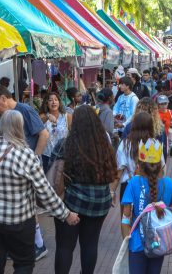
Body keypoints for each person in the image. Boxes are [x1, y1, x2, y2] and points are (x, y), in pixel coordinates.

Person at [0, 110, 79, 274]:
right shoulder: (26, 155)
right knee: (23, 264)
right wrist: (66, 214)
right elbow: (45, 192)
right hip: (19, 223)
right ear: (20, 127)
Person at [53, 105, 118, 274]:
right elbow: (112, 171)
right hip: (99, 201)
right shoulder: (104, 145)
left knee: (64, 246)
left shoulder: (66, 144)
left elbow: (54, 171)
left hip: (71, 202)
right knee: (90, 243)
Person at [0, 85, 50, 259]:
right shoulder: (8, 115)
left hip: (26, 167)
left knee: (29, 206)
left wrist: (35, 159)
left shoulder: (25, 110)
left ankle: (38, 244)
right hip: (18, 167)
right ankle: (31, 243)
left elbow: (44, 134)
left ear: (3, 99)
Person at [121, 138, 172, 274]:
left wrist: (127, 241)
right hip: (159, 243)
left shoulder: (134, 182)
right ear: (160, 165)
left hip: (136, 244)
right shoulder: (168, 184)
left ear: (139, 165)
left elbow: (125, 217)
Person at [117, 112, 165, 208]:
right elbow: (161, 169)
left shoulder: (125, 144)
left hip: (128, 186)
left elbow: (119, 171)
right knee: (148, 216)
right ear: (151, 126)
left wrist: (112, 191)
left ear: (133, 125)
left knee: (126, 218)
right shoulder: (156, 144)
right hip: (151, 185)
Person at [39, 92, 72, 173]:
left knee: (61, 182)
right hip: (47, 155)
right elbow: (39, 123)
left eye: (56, 100)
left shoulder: (67, 116)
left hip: (63, 156)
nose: (53, 102)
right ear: (46, 103)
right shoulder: (42, 116)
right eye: (50, 100)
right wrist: (48, 116)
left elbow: (73, 133)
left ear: (59, 102)